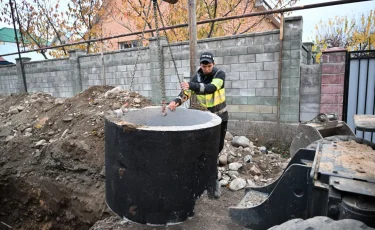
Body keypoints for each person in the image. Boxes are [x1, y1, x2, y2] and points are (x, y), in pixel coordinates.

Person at [168, 52, 228, 199]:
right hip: (206, 122)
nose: (206, 68)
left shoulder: (219, 74)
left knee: (217, 149)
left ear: (213, 64)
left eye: (209, 65)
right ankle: (207, 182)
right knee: (205, 151)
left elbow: (211, 88)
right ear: (201, 65)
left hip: (220, 118)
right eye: (204, 65)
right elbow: (186, 93)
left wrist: (191, 85)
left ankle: (211, 180)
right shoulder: (197, 77)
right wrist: (176, 101)